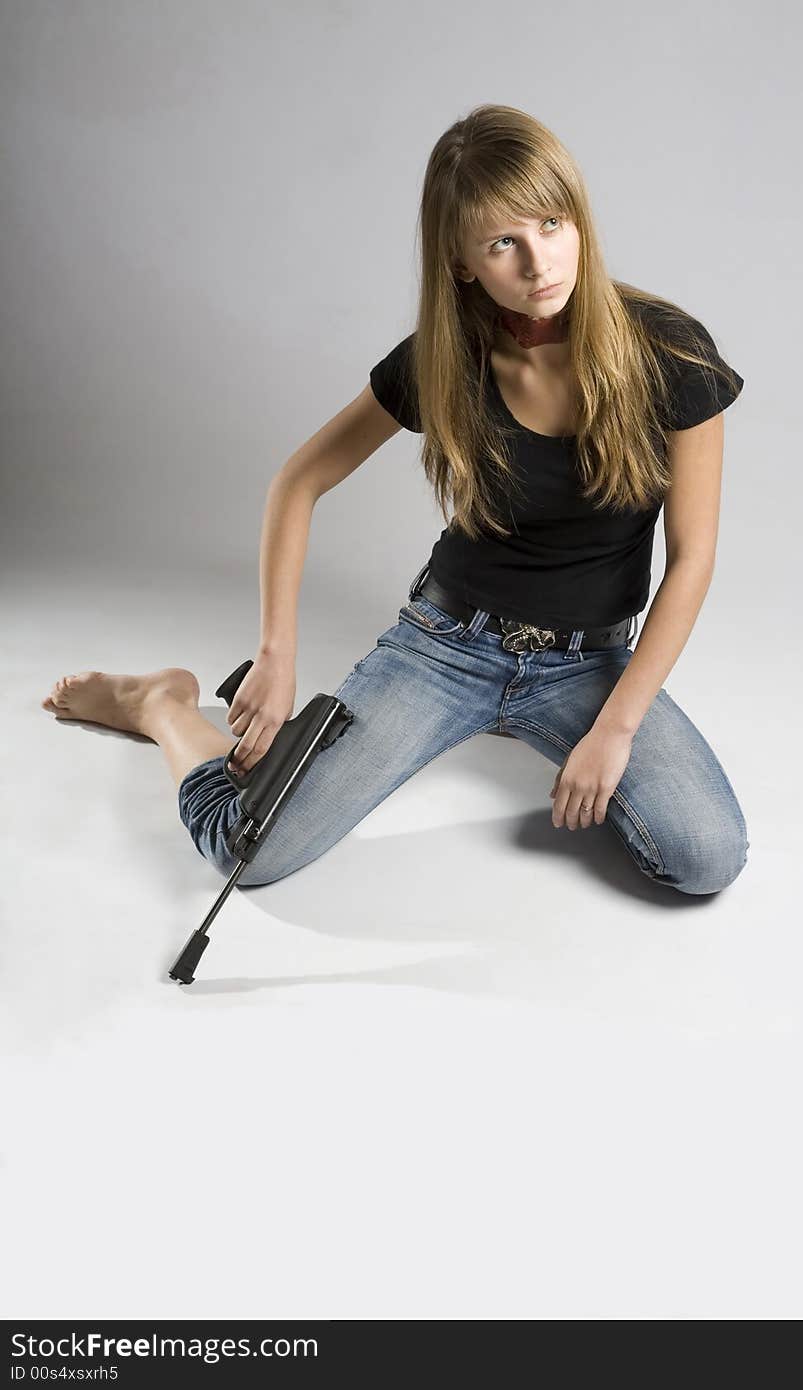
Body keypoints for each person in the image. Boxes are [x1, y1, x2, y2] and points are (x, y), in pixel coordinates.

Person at [41, 103, 749, 895]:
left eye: (552, 223)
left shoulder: (670, 354)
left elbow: (692, 560)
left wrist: (616, 728)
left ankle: (553, 721)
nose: (539, 261)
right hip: (448, 646)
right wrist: (276, 655)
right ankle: (161, 707)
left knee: (706, 859)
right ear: (462, 263)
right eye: (502, 243)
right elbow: (298, 482)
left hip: (590, 664)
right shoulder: (444, 361)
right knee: (250, 852)